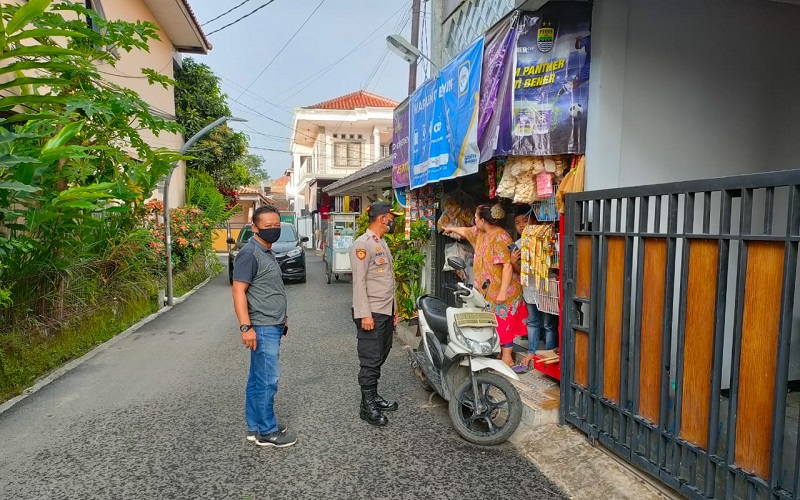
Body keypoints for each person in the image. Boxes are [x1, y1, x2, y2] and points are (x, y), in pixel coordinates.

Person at [232, 205, 297, 448]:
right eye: (268, 226)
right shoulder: (250, 253)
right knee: (268, 379)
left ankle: (255, 425)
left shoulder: (266, 251)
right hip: (260, 326)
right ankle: (267, 432)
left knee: (257, 378)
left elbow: (269, 289)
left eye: (277, 225)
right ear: (255, 228)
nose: (273, 230)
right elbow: (239, 291)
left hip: (273, 323)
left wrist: (283, 318)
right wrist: (245, 327)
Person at [444, 203, 527, 366]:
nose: (474, 220)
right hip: (487, 290)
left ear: (483, 220)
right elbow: (465, 231)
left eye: (475, 217)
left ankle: (507, 358)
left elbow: (507, 265)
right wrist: (450, 229)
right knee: (493, 322)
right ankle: (499, 356)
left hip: (505, 289)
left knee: (504, 323)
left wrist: (503, 292)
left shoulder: (501, 237)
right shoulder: (480, 232)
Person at [350, 201, 404, 426]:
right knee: (371, 359)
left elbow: (387, 279)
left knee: (382, 352)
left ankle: (373, 396)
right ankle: (367, 405)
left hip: (384, 309)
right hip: (370, 311)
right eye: (392, 217)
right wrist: (365, 314)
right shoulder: (362, 245)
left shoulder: (380, 242)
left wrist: (395, 309)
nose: (394, 221)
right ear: (382, 218)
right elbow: (359, 282)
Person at [511, 209, 558, 370]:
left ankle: (550, 353)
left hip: (546, 288)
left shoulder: (546, 240)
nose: (521, 226)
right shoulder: (517, 246)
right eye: (517, 223)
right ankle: (531, 351)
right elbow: (518, 271)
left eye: (524, 221)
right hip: (530, 289)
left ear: (534, 222)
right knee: (533, 322)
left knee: (548, 324)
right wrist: (513, 262)